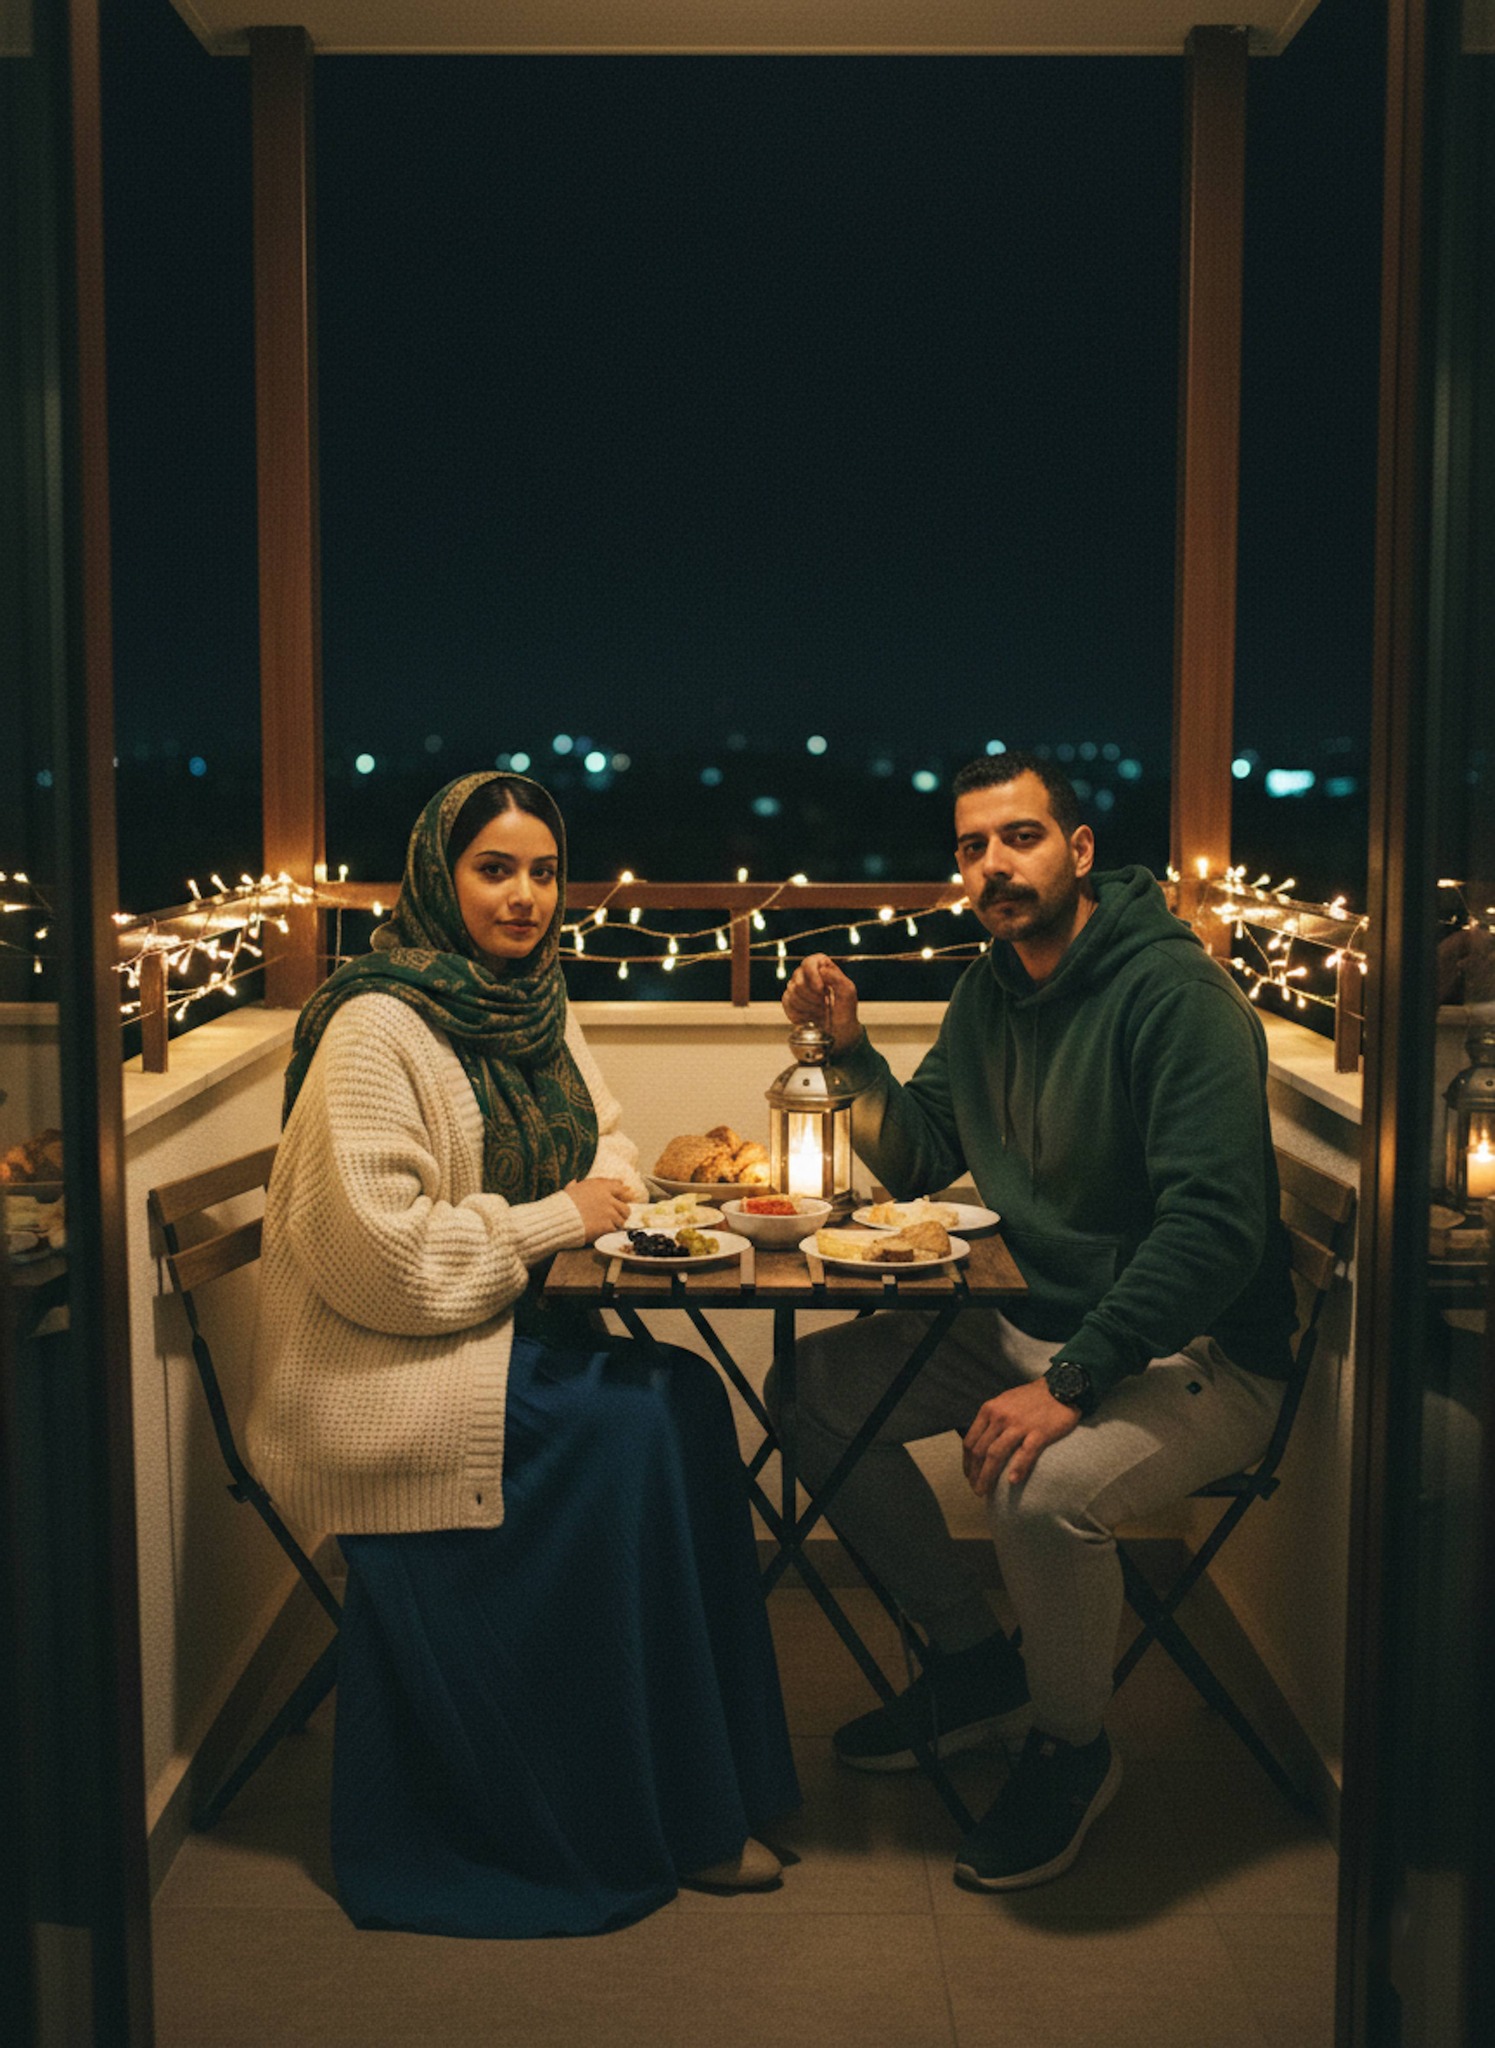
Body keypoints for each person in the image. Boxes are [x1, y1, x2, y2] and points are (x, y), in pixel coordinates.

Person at [248, 770, 798, 1937]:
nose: (527, 897)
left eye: (545, 871)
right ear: (438, 877)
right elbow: (383, 1263)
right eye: (495, 868)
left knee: (692, 1398)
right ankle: (638, 1815)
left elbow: (610, 1137)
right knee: (636, 1424)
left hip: (494, 1333)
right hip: (384, 1371)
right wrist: (558, 1218)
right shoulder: (373, 1025)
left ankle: (707, 1786)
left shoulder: (532, 1000)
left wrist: (590, 1193)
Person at [778, 750, 1296, 1893]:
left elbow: (1214, 1229)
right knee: (810, 1392)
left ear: (1079, 850)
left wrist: (1071, 1379)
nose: (992, 864)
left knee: (1035, 1484)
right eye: (970, 846)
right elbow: (920, 1150)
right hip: (1039, 1319)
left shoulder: (1176, 996)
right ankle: (972, 1666)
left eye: (1017, 836)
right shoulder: (990, 987)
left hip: (1198, 1350)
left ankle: (1073, 1740)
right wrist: (848, 1050)